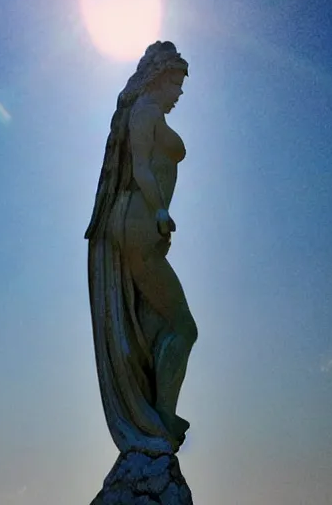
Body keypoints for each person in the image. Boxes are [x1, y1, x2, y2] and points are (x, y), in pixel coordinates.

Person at [85, 41, 198, 455]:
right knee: (184, 327)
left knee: (155, 327)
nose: (180, 93)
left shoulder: (148, 111)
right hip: (137, 222)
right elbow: (141, 168)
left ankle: (156, 408)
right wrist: (161, 211)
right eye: (177, 83)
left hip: (140, 227)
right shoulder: (146, 111)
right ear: (160, 78)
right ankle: (160, 416)